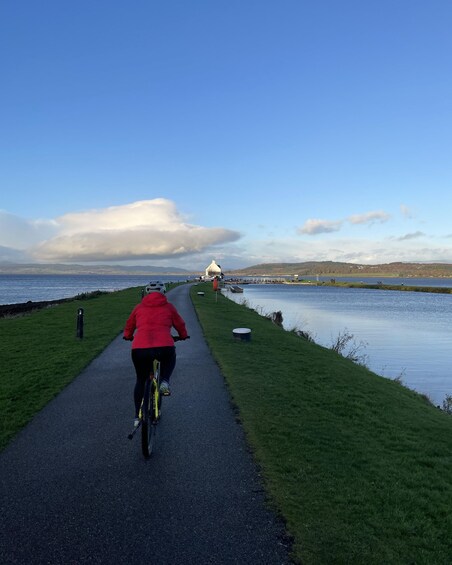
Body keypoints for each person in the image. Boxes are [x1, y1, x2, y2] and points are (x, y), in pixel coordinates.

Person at [123, 281, 188, 427]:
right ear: (163, 292)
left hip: (139, 349)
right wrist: (183, 335)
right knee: (170, 357)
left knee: (141, 380)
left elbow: (129, 324)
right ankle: (164, 381)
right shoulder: (169, 307)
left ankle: (137, 417)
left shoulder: (138, 307)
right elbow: (180, 324)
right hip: (164, 346)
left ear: (147, 293)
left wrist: (128, 335)